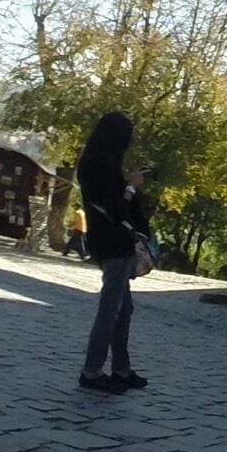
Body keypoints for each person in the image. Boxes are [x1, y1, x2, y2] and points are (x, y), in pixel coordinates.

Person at [75, 112, 148, 395]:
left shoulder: (97, 160)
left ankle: (121, 368)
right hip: (112, 241)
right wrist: (130, 186)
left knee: (124, 308)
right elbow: (116, 208)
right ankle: (92, 370)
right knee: (111, 309)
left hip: (109, 240)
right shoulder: (99, 164)